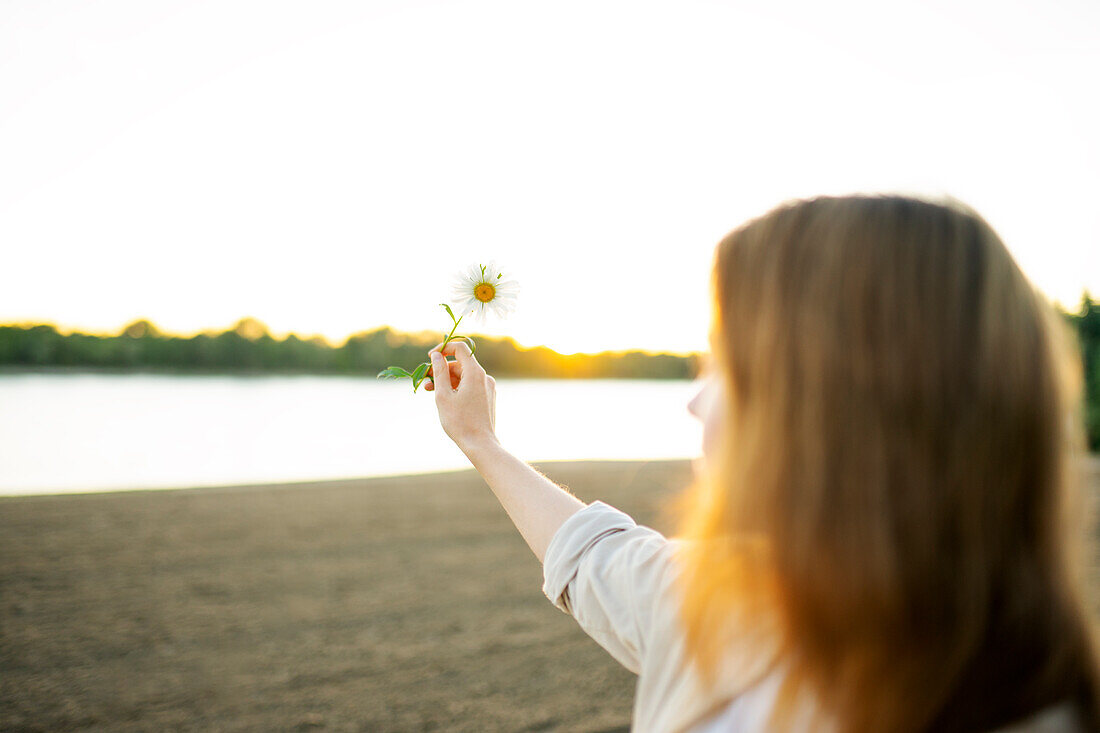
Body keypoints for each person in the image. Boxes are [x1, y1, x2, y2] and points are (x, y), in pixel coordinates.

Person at [422, 194, 1100, 732]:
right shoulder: (720, 601)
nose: (695, 401)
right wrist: (480, 439)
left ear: (842, 402)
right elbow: (590, 554)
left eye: (729, 362)